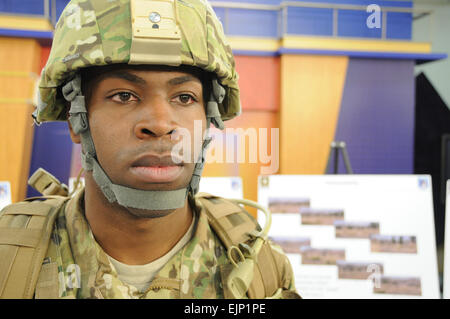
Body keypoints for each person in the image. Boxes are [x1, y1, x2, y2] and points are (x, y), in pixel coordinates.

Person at [0, 0, 300, 299]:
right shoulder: (9, 258)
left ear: (208, 120)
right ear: (76, 120)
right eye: (124, 95)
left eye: (184, 98)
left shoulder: (258, 263)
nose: (160, 124)